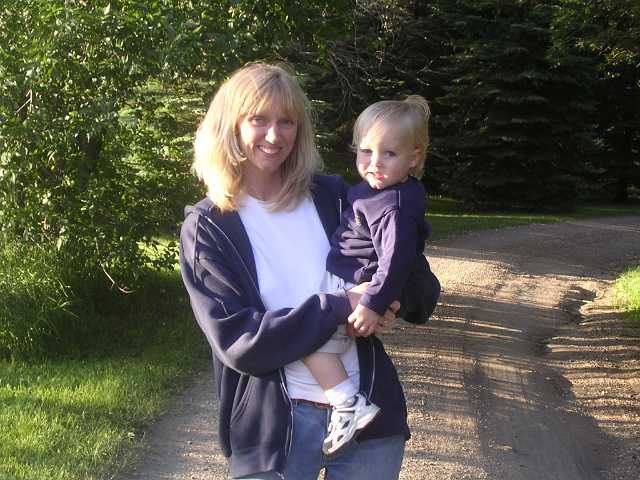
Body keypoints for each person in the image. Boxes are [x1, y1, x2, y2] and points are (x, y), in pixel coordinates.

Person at [179, 62, 438, 479]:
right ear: (230, 126)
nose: (274, 135)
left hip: (370, 426)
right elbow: (239, 341)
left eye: (287, 122)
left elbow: (420, 286)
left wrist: (389, 300)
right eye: (259, 119)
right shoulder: (209, 227)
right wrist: (342, 305)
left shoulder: (334, 196)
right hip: (275, 436)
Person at [303, 95, 438, 456]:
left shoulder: (395, 206)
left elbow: (397, 260)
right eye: (366, 151)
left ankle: (347, 404)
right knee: (310, 334)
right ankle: (347, 401)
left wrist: (374, 303)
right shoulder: (373, 191)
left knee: (308, 339)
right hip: (350, 279)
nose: (374, 163)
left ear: (414, 157)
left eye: (388, 154)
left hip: (359, 283)